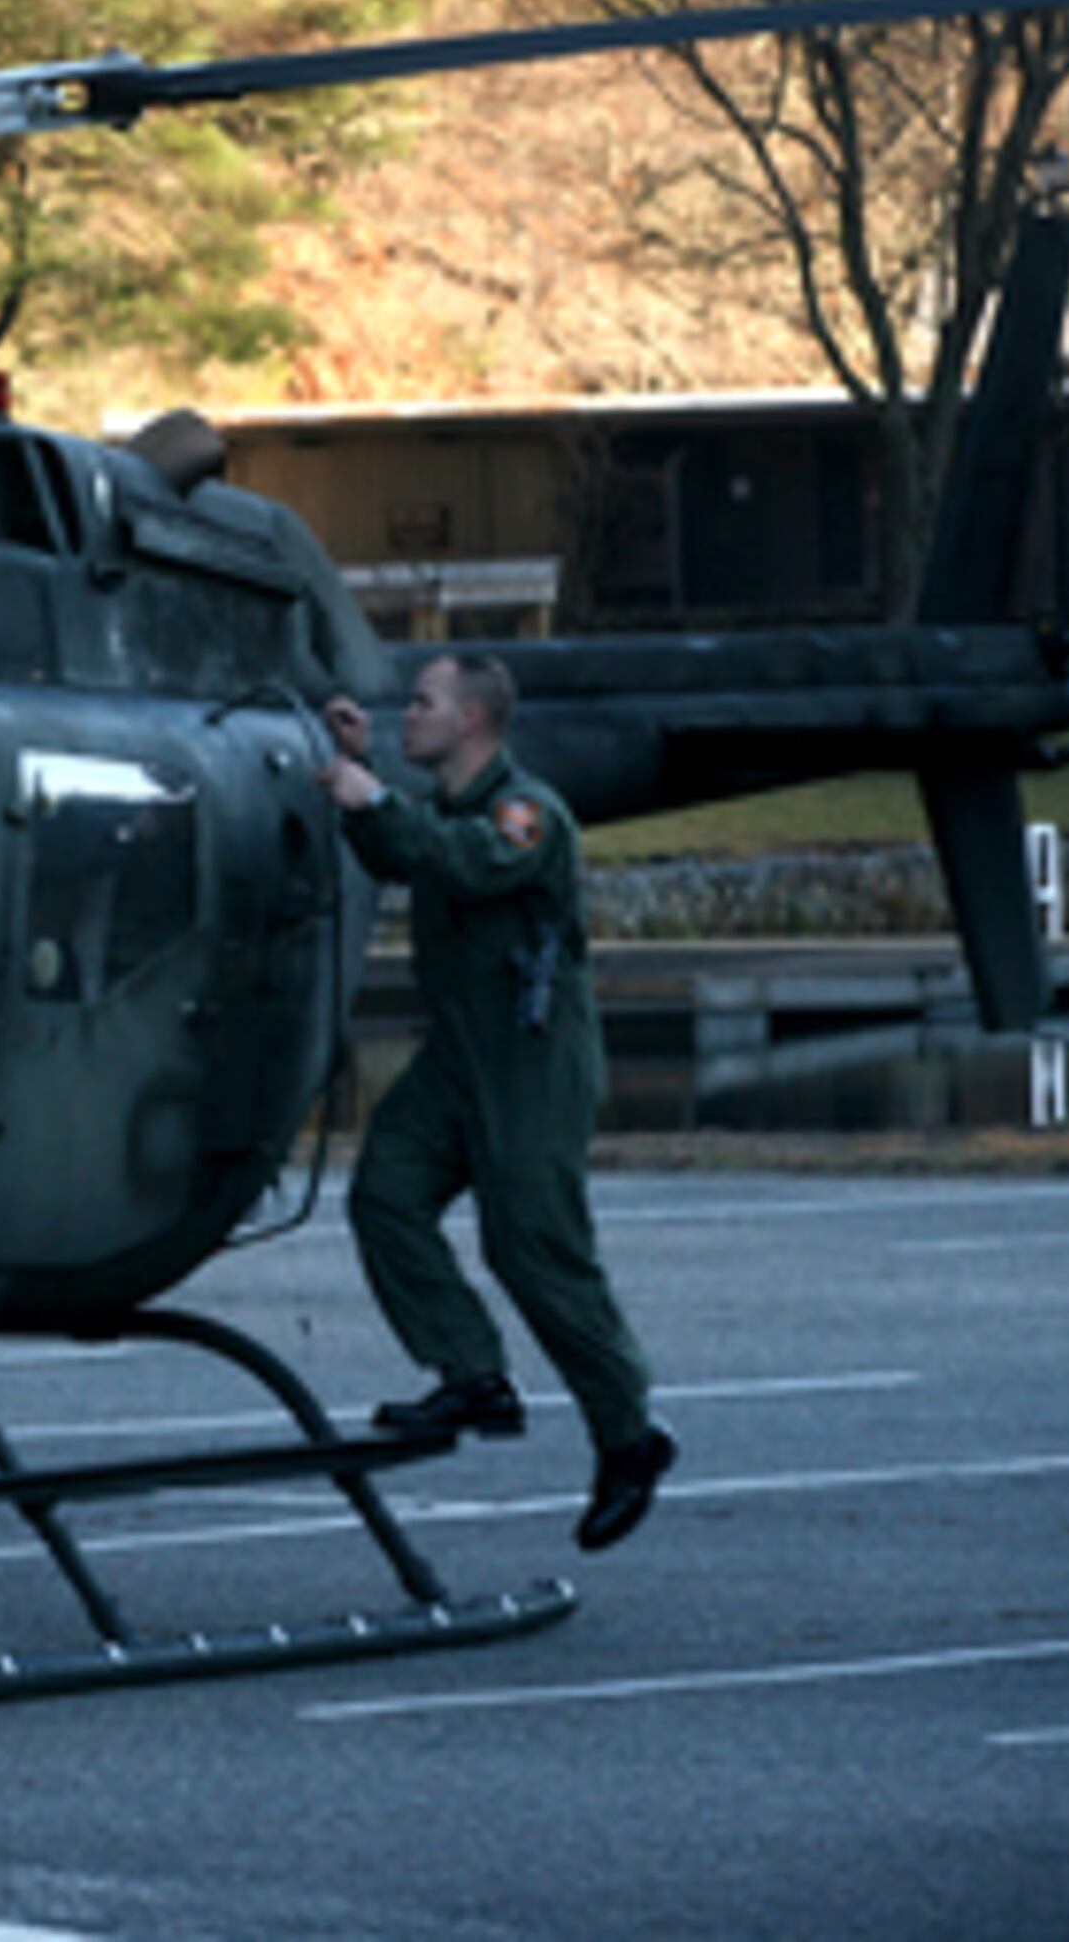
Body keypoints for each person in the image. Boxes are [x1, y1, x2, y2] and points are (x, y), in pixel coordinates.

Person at [322, 652, 678, 1553]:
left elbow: (470, 864)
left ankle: (628, 1436)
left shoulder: (526, 814)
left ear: (474, 718)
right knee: (384, 1194)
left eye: (423, 704)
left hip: (531, 1060)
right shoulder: (439, 811)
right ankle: (473, 1371)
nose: (408, 716)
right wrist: (360, 785)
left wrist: (372, 797)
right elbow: (408, 852)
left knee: (533, 1248)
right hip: (460, 1055)